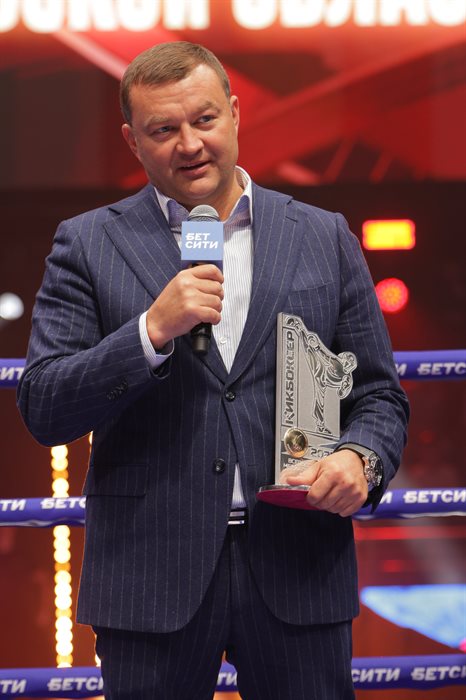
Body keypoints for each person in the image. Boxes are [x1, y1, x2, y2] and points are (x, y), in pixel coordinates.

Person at [17, 42, 409, 699]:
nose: (190, 144)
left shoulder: (323, 235)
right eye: (163, 130)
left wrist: (360, 459)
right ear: (132, 141)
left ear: (234, 113)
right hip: (149, 571)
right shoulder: (87, 243)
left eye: (203, 120)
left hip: (298, 560)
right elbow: (44, 405)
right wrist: (149, 331)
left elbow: (378, 394)